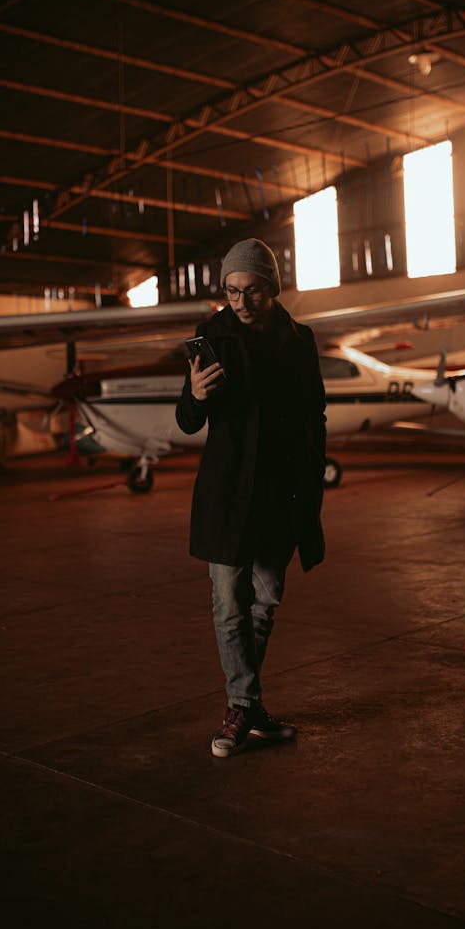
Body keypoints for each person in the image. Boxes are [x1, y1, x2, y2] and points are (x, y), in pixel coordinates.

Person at [175, 238, 327, 758]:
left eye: (252, 291)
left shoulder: (300, 340)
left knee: (265, 602)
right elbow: (187, 420)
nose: (240, 302)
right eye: (232, 291)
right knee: (228, 604)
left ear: (273, 289)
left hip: (281, 492)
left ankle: (247, 706)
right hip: (227, 491)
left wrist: (312, 486)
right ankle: (242, 705)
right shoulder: (211, 336)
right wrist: (196, 395)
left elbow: (316, 417)